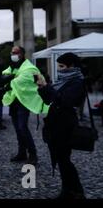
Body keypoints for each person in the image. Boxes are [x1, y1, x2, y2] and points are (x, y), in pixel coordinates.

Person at [37, 53, 86, 199]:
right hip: (55, 123)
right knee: (59, 158)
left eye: (62, 66)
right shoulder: (61, 81)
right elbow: (48, 101)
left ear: (72, 66)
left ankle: (76, 191)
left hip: (65, 124)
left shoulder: (77, 82)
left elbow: (65, 101)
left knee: (64, 159)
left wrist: (48, 87)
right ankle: (68, 189)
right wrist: (42, 87)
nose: (59, 70)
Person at [2, 46, 48, 165]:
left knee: (23, 127)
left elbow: (20, 82)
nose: (13, 54)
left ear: (22, 54)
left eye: (15, 53)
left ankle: (33, 154)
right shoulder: (12, 67)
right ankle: (22, 152)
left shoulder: (29, 68)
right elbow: (3, 78)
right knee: (18, 129)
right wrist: (11, 79)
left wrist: (10, 81)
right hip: (14, 101)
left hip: (24, 102)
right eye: (12, 52)